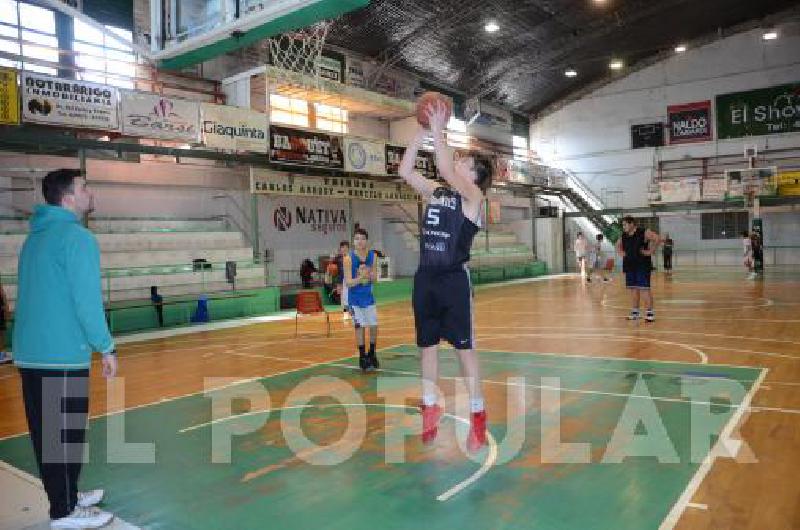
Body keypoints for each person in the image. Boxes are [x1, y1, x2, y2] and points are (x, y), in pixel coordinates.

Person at [13, 169, 117, 529]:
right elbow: (87, 301)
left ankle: (68, 494)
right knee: (64, 436)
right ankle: (65, 512)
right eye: (85, 187)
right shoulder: (77, 238)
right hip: (60, 354)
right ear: (69, 198)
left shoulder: (35, 238)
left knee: (52, 435)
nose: (90, 192)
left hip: (31, 353)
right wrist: (105, 346)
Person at [398, 100, 492, 452]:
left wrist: (438, 127)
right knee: (427, 347)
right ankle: (430, 405)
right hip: (426, 277)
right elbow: (405, 171)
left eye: (463, 163)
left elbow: (442, 163)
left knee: (465, 351)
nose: (456, 164)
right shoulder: (437, 192)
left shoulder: (474, 197)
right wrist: (422, 131)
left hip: (454, 280)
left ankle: (478, 414)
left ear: (474, 177)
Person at [343, 228, 379, 371]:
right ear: (353, 241)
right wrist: (361, 277)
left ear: (367, 241)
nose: (360, 241)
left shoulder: (373, 256)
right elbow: (349, 282)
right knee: (360, 327)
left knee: (374, 325)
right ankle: (362, 356)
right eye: (357, 239)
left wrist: (370, 275)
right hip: (354, 300)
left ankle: (372, 353)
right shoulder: (348, 259)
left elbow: (375, 278)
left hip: (368, 298)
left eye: (362, 238)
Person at [616, 215, 661, 322]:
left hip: (642, 265)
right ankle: (635, 312)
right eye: (623, 225)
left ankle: (650, 313)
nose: (624, 227)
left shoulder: (643, 232)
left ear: (632, 224)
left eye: (625, 224)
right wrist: (621, 253)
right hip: (629, 265)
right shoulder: (624, 235)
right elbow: (617, 245)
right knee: (633, 289)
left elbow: (657, 238)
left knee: (645, 289)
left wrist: (650, 251)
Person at [334, 241, 350, 321]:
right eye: (342, 247)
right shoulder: (337, 258)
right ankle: (345, 313)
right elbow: (332, 269)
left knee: (351, 297)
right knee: (343, 299)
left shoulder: (352, 257)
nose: (344, 249)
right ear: (340, 249)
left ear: (348, 248)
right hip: (341, 281)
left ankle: (353, 312)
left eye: (346, 247)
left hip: (350, 280)